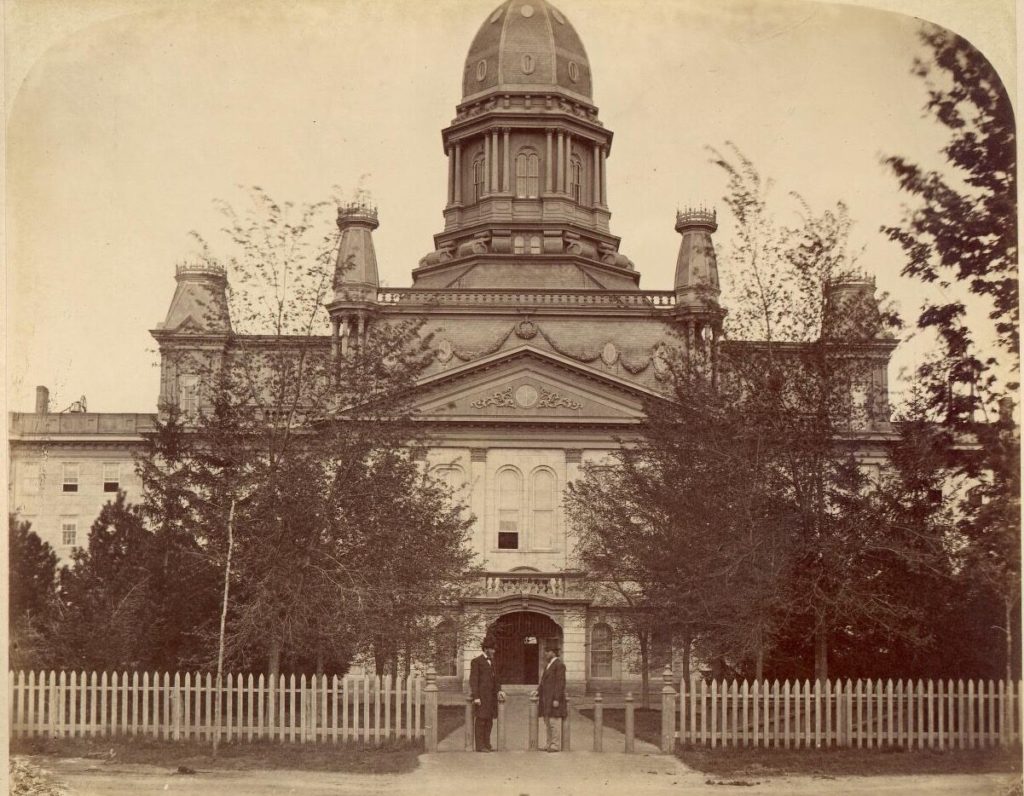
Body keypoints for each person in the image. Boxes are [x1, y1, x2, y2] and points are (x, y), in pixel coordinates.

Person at [469, 635, 505, 751]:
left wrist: (499, 690)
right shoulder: (476, 661)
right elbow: (473, 680)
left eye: (494, 649)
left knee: (489, 721)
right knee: (481, 721)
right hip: (482, 697)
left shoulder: (493, 662)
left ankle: (487, 744)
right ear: (485, 649)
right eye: (492, 649)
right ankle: (480, 746)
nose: (494, 651)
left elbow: (496, 679)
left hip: (491, 697)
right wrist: (476, 697)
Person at [536, 644, 566, 751]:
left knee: (554, 723)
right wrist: (537, 692)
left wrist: (557, 699)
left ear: (553, 652)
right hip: (546, 699)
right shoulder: (548, 665)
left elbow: (560, 683)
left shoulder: (559, 665)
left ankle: (555, 745)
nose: (545, 654)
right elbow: (543, 682)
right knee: (547, 722)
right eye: (545, 651)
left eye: (547, 651)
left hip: (553, 699)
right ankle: (548, 744)